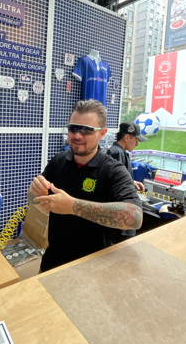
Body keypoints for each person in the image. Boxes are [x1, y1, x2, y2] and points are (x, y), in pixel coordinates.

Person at [28, 100, 143, 272]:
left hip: (94, 269)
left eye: (87, 130)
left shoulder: (113, 171)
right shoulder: (59, 161)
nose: (77, 135)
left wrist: (74, 206)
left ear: (102, 133)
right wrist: (33, 192)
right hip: (53, 262)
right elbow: (35, 201)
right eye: (73, 128)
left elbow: (135, 217)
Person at [107, 122, 148, 240]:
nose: (137, 144)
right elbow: (115, 183)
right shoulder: (116, 153)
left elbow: (120, 177)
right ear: (126, 137)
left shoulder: (120, 152)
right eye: (136, 140)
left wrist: (132, 182)